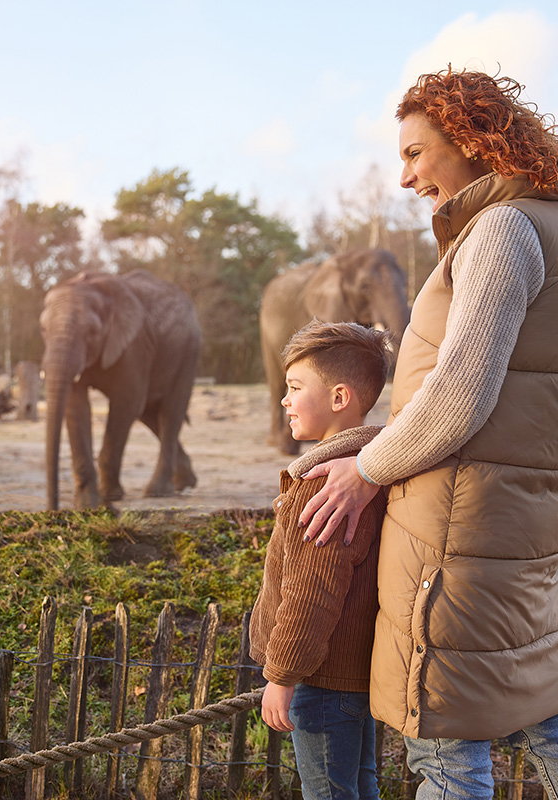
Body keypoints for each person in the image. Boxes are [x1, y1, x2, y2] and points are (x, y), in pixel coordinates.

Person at [296, 68, 558, 798]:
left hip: (456, 531)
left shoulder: (501, 229)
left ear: (471, 139)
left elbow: (461, 393)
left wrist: (365, 467)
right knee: (547, 716)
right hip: (520, 524)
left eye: (415, 153)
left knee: (441, 743)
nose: (404, 176)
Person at [250, 321, 393, 800]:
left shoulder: (326, 488)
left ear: (339, 398)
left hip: (321, 678)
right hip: (355, 675)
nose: (284, 401)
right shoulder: (370, 470)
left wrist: (281, 675)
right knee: (360, 786)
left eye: (294, 388)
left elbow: (311, 596)